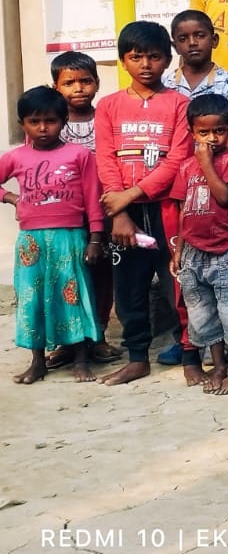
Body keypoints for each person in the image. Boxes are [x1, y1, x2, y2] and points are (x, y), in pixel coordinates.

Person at [96, 21, 195, 386]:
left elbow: (176, 161)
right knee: (129, 287)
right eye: (136, 57)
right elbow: (105, 159)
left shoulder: (180, 105)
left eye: (154, 57)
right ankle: (137, 357)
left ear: (168, 60)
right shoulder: (108, 106)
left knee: (177, 284)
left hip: (165, 209)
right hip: (123, 217)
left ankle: (189, 353)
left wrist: (131, 195)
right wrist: (119, 211)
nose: (146, 65)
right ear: (124, 61)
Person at [1, 86, 103, 384]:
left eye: (51, 121)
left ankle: (81, 359)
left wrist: (95, 238)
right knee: (33, 299)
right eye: (35, 121)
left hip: (70, 237)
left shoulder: (79, 155)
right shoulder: (16, 157)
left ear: (63, 122)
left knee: (74, 294)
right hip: (30, 242)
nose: (43, 128)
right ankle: (37, 361)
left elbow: (92, 197)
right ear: (23, 124)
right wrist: (12, 198)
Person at [169, 94, 228, 395]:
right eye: (204, 133)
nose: (212, 138)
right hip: (193, 252)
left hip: (226, 249)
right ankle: (218, 365)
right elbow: (184, 210)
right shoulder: (185, 167)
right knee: (203, 312)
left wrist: (206, 162)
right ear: (192, 132)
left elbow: (224, 197)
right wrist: (179, 251)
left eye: (219, 131)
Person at [52, 51, 118, 365]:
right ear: (56, 88)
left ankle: (99, 335)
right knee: (67, 275)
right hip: (65, 214)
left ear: (97, 83)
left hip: (102, 210)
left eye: (85, 81)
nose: (78, 88)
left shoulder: (104, 117)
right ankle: (68, 340)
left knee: (101, 273)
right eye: (69, 83)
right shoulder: (49, 123)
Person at [163, 10, 228, 112]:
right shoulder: (165, 84)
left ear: (214, 40)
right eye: (183, 39)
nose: (192, 43)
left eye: (200, 36)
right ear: (175, 47)